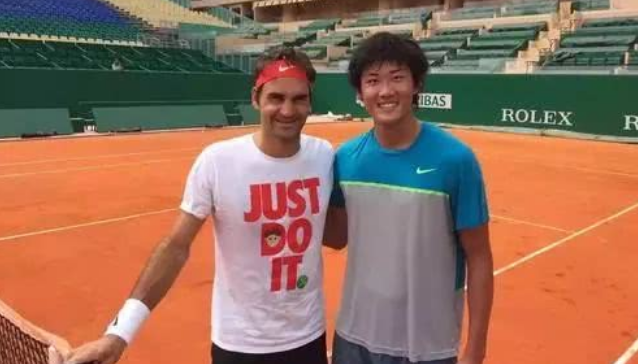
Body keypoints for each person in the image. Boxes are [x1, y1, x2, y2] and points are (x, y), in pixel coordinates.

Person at [64, 48, 334, 364]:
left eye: (299, 99)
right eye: (276, 97)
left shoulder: (325, 156)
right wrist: (120, 333)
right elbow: (176, 246)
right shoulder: (218, 161)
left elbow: (340, 232)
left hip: (308, 338)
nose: (287, 110)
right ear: (255, 98)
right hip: (241, 345)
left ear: (310, 102)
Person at [324, 32, 494, 364]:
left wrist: (476, 348)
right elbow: (337, 236)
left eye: (397, 78)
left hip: (427, 345)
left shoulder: (456, 159)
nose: (385, 91)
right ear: (360, 93)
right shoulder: (345, 159)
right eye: (373, 81)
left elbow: (479, 257)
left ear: (417, 85)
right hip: (353, 338)